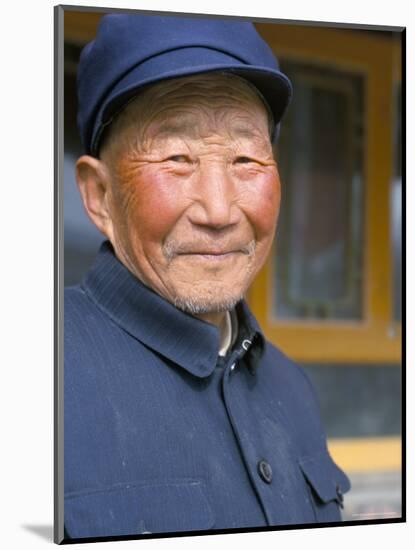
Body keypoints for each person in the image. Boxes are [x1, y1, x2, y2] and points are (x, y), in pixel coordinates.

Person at [64, 13, 350, 540]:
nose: (219, 211)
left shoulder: (291, 385)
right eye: (177, 157)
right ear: (100, 195)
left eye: (245, 159)